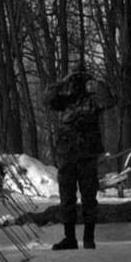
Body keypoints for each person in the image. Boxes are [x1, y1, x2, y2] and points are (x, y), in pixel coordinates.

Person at [45, 62, 115, 250]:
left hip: (86, 155)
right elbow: (47, 99)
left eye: (80, 79)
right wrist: (62, 82)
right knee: (66, 197)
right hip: (67, 155)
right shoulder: (65, 101)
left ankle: (89, 237)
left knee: (89, 197)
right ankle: (70, 237)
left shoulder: (93, 100)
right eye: (75, 79)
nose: (77, 83)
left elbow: (109, 101)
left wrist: (98, 83)